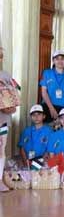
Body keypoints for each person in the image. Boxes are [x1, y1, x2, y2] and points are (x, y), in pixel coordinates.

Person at [40, 50, 64, 122]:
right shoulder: (47, 73)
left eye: (62, 59)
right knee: (49, 130)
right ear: (53, 61)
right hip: (49, 107)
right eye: (57, 59)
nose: (60, 61)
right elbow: (44, 92)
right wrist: (51, 108)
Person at [0, 47, 17, 191]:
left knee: (1, 148)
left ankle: (0, 180)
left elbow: (14, 94)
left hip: (4, 119)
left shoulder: (6, 75)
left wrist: (13, 107)